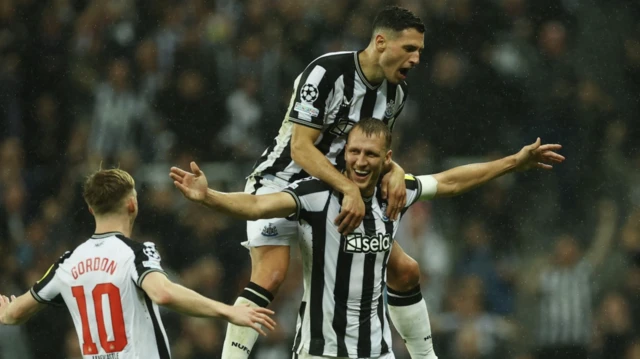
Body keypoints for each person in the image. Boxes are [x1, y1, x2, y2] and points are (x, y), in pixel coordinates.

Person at [170, 118, 565, 359]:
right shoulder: (315, 194)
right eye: (355, 152)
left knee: (407, 270)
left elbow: (450, 181)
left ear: (386, 157)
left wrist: (515, 162)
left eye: (371, 155)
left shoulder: (396, 193)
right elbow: (257, 207)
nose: (360, 161)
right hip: (319, 352)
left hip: (376, 352)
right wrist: (208, 198)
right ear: (344, 155)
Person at [224, 6, 430, 358]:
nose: (415, 59)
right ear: (381, 42)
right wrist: (350, 188)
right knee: (272, 275)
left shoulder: (395, 95)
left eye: (420, 52)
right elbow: (301, 148)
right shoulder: (326, 72)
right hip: (282, 181)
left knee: (406, 269)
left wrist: (394, 171)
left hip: (333, 193)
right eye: (409, 49)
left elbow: (378, 149)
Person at [0, 168, 276, 359]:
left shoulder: (67, 264)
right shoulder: (135, 253)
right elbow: (163, 292)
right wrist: (227, 311)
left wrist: (5, 311)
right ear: (133, 204)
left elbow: (13, 314)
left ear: (90, 209)